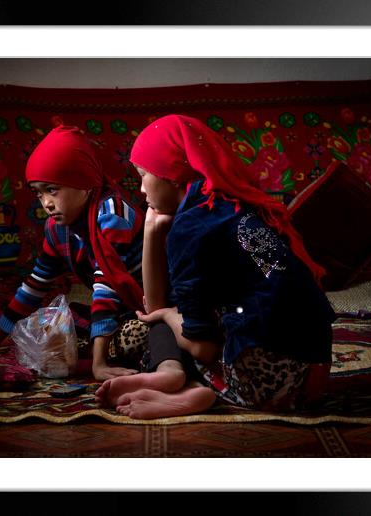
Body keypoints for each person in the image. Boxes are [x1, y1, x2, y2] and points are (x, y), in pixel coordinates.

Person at [96, 114, 335, 419]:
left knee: (160, 320)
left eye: (143, 175)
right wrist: (154, 226)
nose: (140, 188)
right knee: (192, 311)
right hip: (312, 379)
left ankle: (182, 385)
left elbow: (198, 345)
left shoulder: (190, 228)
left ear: (171, 174)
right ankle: (187, 385)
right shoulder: (236, 202)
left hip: (264, 387)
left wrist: (168, 311)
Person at [0, 125, 149, 381]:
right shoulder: (57, 228)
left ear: (85, 184)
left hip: (148, 309)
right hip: (115, 313)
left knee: (139, 336)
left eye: (52, 190)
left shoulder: (113, 216)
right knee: (51, 331)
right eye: (39, 193)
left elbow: (107, 289)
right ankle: (88, 352)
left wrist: (99, 365)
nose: (46, 203)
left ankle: (93, 360)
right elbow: (35, 285)